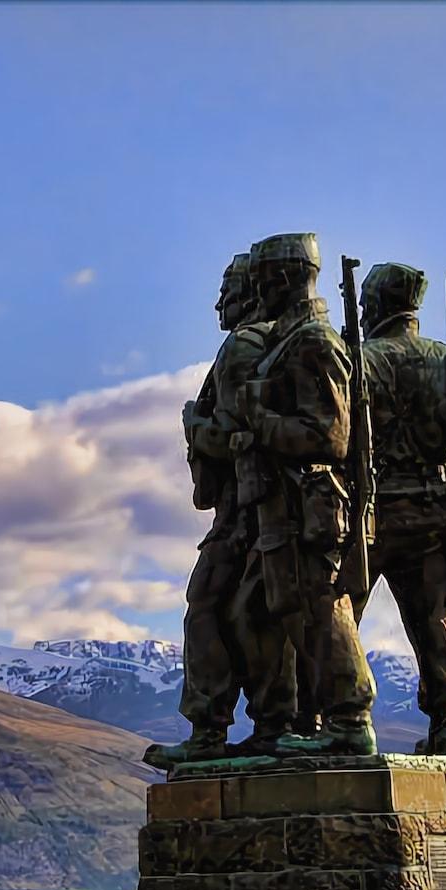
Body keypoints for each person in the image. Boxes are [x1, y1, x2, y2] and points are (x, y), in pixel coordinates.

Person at [231, 232, 375, 757]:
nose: (257, 291)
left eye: (264, 281)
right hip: (279, 507)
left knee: (321, 610)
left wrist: (259, 421)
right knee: (255, 613)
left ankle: (350, 720)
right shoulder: (287, 342)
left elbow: (329, 437)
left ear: (287, 278)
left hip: (308, 505)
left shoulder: (313, 342)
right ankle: (277, 723)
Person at [355, 262, 446, 754]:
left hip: (367, 515)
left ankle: (335, 715)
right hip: (434, 512)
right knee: (437, 622)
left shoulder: (357, 362)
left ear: (375, 304)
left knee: (334, 618)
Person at [145, 254, 270, 769]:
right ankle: (270, 724)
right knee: (253, 617)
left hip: (245, 510)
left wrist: (193, 426)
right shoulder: (275, 344)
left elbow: (237, 432)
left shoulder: (243, 347)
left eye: (229, 290)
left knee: (207, 608)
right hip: (259, 508)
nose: (220, 302)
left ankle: (209, 730)